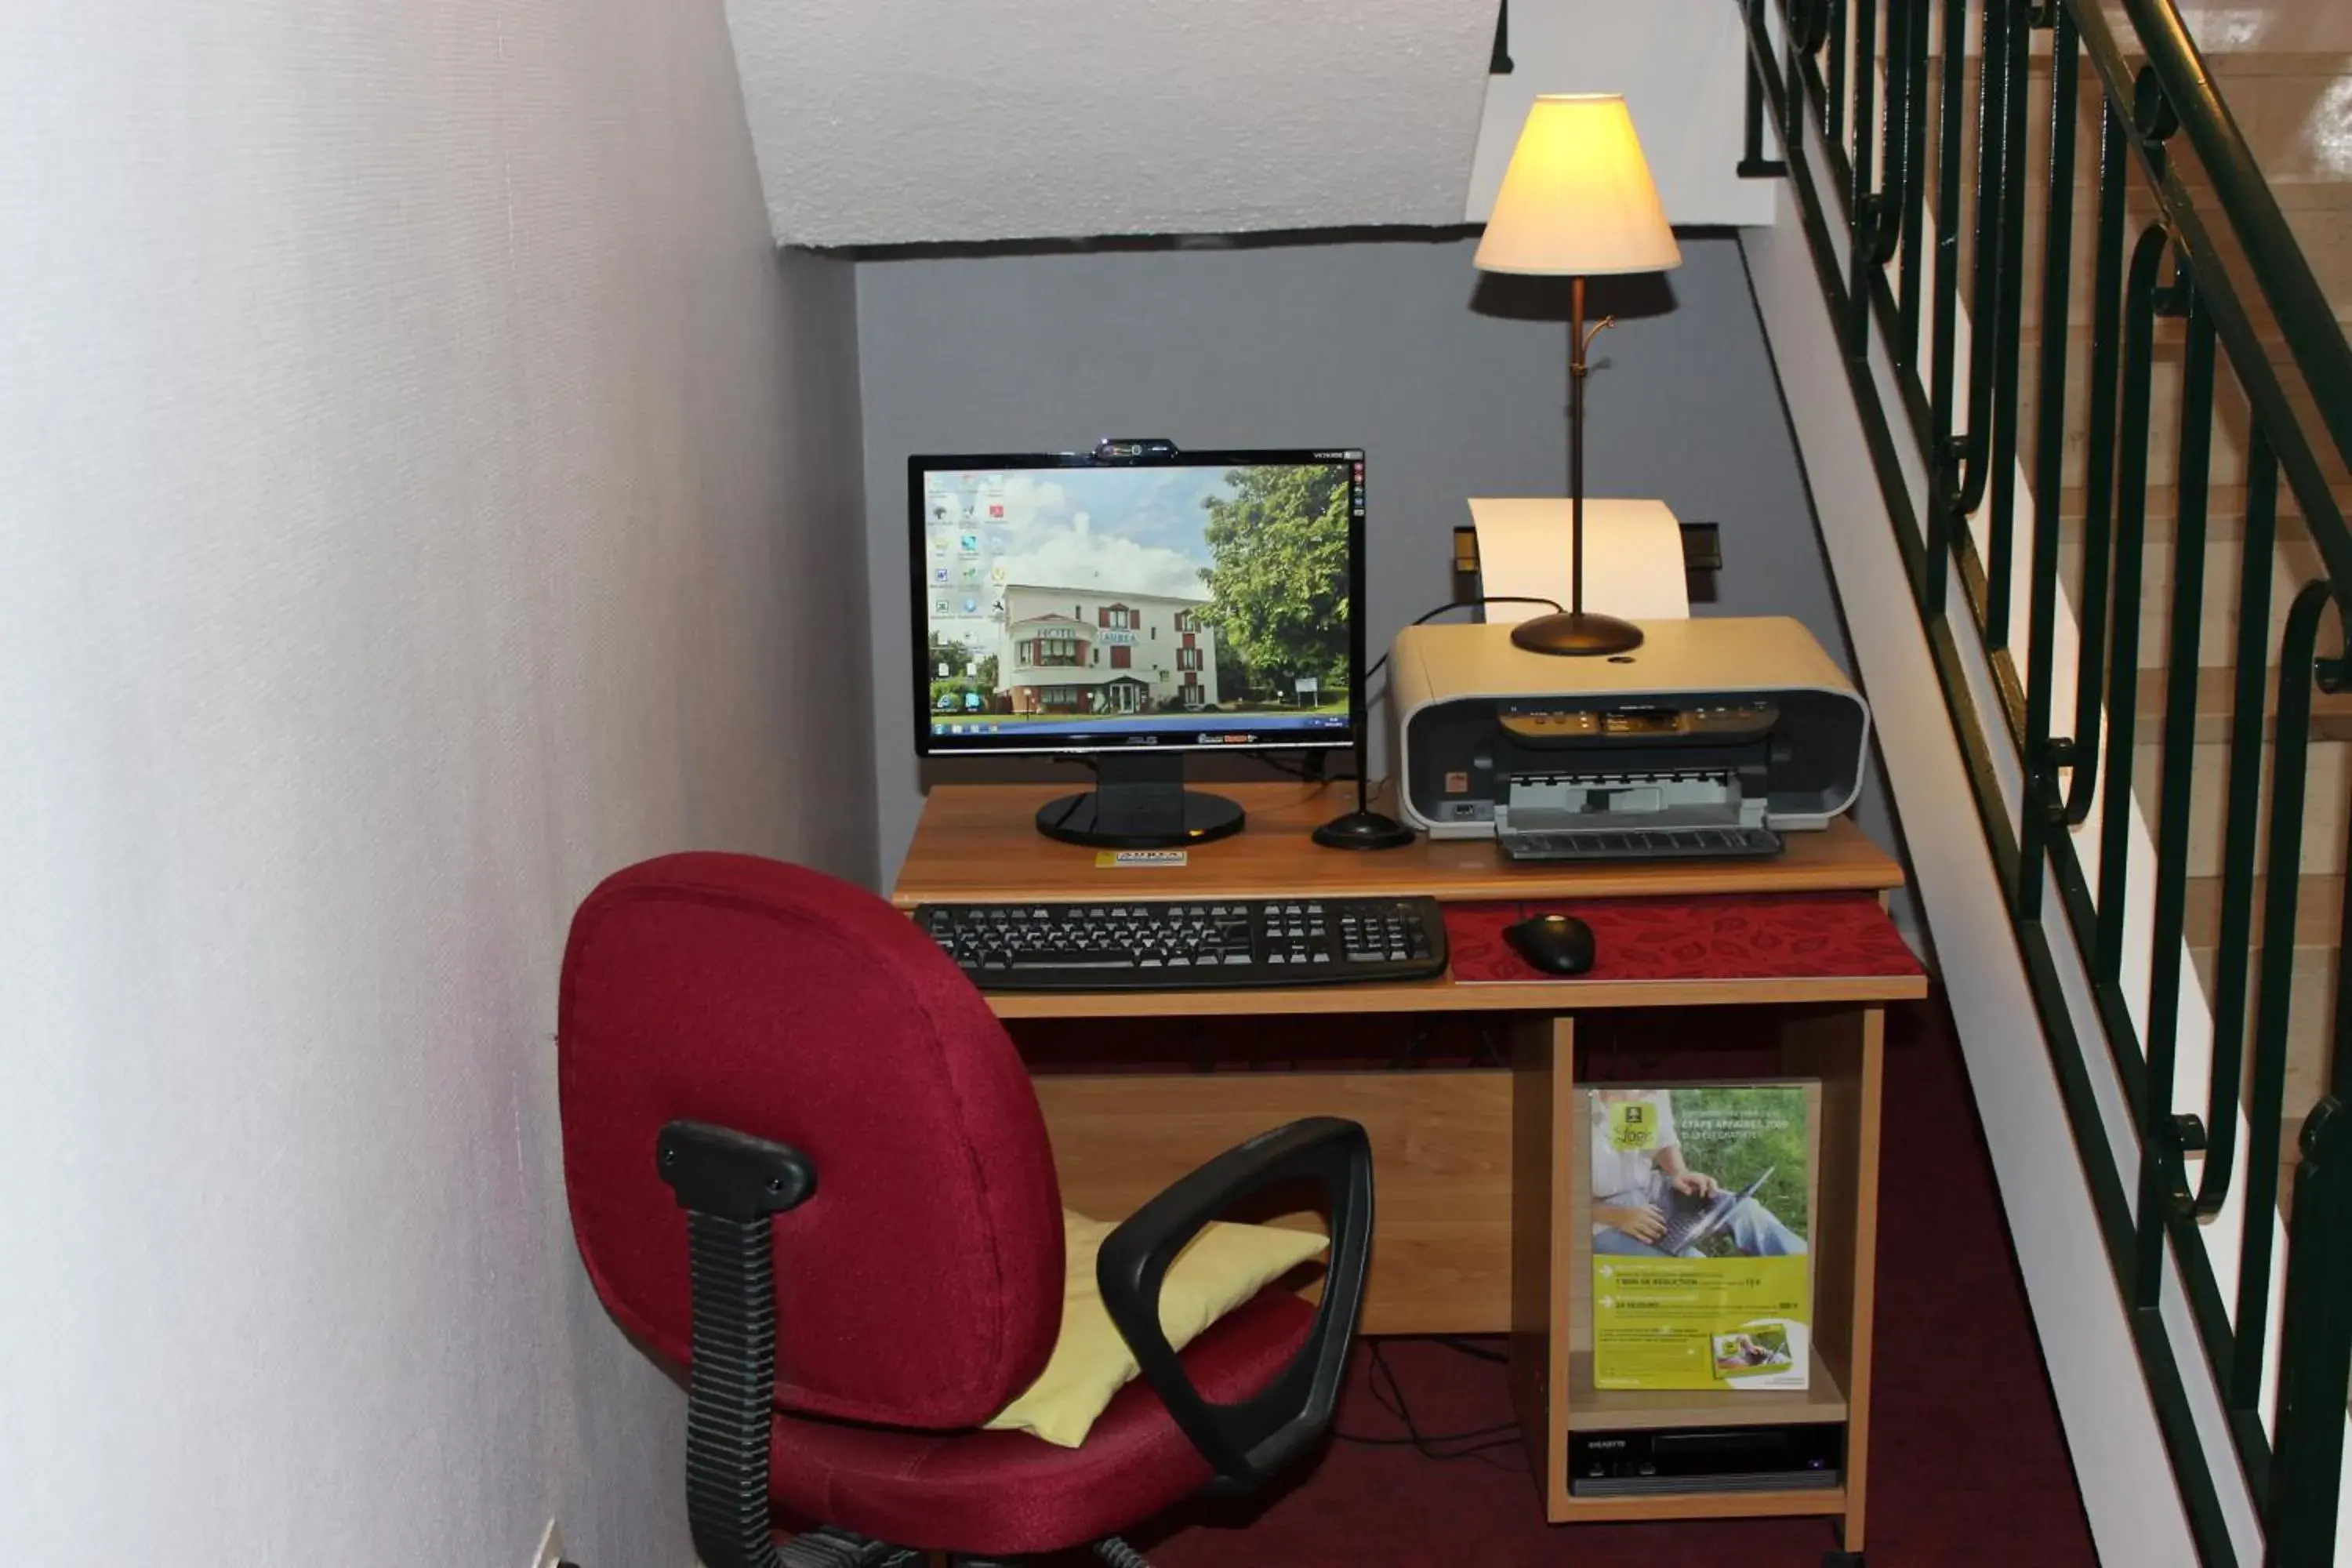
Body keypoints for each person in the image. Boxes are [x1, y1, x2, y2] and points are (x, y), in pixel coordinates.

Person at [1590, 1088, 1806, 1258]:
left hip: (1647, 1191)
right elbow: (1557, 1204)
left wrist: (1679, 1172)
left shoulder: (1646, 1090)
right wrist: (1615, 1216)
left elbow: (1658, 1135)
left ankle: (1809, 1278)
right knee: (1693, 1266)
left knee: (1746, 1212)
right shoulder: (1574, 1104)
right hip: (1596, 1219)